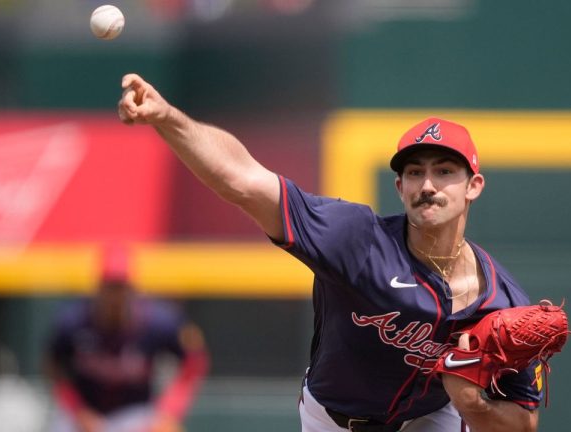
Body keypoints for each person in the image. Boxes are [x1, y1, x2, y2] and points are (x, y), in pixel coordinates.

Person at [117, 73, 541, 432]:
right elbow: (243, 180)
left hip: (431, 418)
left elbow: (524, 420)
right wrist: (166, 117)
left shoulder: (501, 301)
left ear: (473, 186)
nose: (427, 185)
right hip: (335, 419)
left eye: (444, 171)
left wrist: (475, 406)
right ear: (400, 187)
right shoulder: (356, 239)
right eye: (414, 172)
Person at [44, 244, 209, 432]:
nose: (116, 295)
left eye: (121, 286)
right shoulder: (73, 321)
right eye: (110, 286)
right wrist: (77, 410)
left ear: (132, 288)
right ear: (99, 287)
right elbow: (54, 366)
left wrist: (168, 413)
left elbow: (194, 362)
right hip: (84, 412)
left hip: (135, 413)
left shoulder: (159, 322)